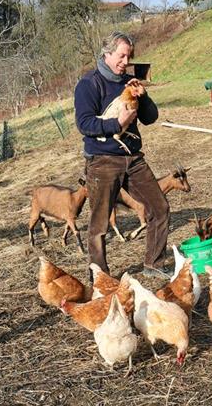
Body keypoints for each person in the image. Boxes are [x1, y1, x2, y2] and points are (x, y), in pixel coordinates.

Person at [74, 31, 169, 278]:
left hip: (133, 158)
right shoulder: (89, 84)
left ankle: (154, 263)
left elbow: (150, 118)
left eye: (129, 56)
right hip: (102, 160)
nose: (126, 62)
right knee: (100, 223)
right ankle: (99, 275)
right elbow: (84, 124)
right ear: (107, 53)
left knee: (159, 208)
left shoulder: (128, 82)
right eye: (121, 56)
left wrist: (144, 97)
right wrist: (117, 123)